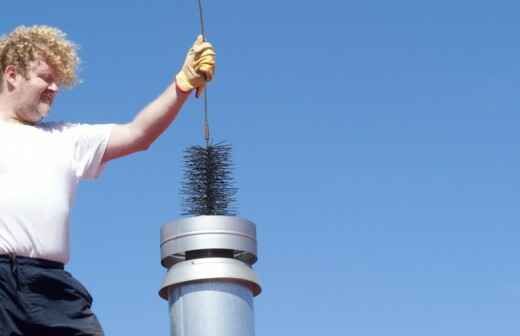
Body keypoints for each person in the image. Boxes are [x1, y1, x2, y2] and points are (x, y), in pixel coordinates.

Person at [0, 25, 215, 335]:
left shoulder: (65, 138)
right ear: (12, 75)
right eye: (46, 78)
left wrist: (181, 85)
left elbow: (137, 134)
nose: (54, 88)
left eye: (58, 81)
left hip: (52, 288)